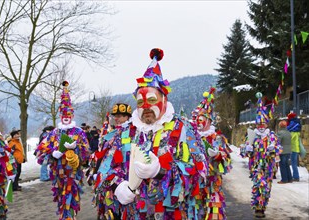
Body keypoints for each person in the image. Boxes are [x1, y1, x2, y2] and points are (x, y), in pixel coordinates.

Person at [92, 48, 208, 219]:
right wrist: (117, 186)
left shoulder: (184, 129)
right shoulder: (123, 132)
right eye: (140, 101)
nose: (146, 106)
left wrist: (162, 171)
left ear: (164, 100)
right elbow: (103, 171)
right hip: (133, 213)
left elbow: (200, 172)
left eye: (152, 100)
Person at [35, 81, 90, 220]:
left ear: (72, 116)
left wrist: (76, 148)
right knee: (61, 196)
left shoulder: (79, 132)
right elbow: (40, 149)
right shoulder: (54, 132)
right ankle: (64, 216)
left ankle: (70, 216)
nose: (66, 117)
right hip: (57, 173)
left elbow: (86, 151)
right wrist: (53, 152)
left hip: (73, 172)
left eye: (68, 114)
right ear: (60, 116)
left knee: (71, 196)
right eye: (63, 115)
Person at [191, 87, 232, 220]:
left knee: (214, 212)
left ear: (209, 120)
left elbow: (228, 161)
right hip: (195, 184)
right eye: (196, 119)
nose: (198, 122)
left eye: (201, 119)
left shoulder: (217, 138)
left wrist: (218, 155)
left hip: (213, 183)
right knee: (196, 211)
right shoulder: (191, 138)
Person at [241, 92, 281, 218]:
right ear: (256, 124)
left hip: (269, 167)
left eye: (263, 124)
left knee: (267, 188)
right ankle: (258, 208)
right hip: (256, 166)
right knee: (259, 185)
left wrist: (273, 149)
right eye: (259, 124)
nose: (261, 126)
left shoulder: (272, 135)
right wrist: (247, 149)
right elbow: (243, 152)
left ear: (267, 124)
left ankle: (263, 206)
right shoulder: (252, 135)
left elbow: (279, 149)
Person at [287, 112, 301, 182]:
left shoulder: (293, 133)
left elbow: (290, 140)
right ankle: (295, 176)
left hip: (293, 149)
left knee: (293, 163)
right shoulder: (296, 131)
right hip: (295, 148)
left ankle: (296, 176)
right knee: (293, 163)